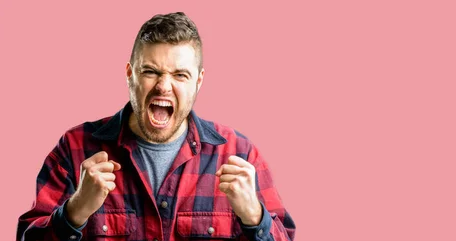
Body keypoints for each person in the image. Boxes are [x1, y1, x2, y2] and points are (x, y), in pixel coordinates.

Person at [17, 12, 295, 241]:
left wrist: (254, 217)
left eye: (179, 75)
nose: (163, 85)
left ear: (198, 81)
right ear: (130, 74)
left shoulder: (239, 154)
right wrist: (74, 213)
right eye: (150, 71)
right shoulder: (75, 148)